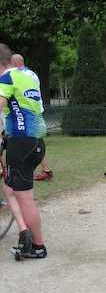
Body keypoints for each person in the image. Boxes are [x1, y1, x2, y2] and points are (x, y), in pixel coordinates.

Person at [0, 44, 47, 258]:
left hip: (21, 143)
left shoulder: (7, 78)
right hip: (35, 141)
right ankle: (24, 230)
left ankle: (38, 246)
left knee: (25, 197)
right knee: (10, 187)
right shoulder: (27, 75)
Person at [9, 54, 53, 181]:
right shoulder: (32, 74)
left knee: (26, 142)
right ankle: (46, 170)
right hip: (37, 110)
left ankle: (24, 171)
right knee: (37, 141)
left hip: (26, 113)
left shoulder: (18, 76)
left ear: (14, 63)